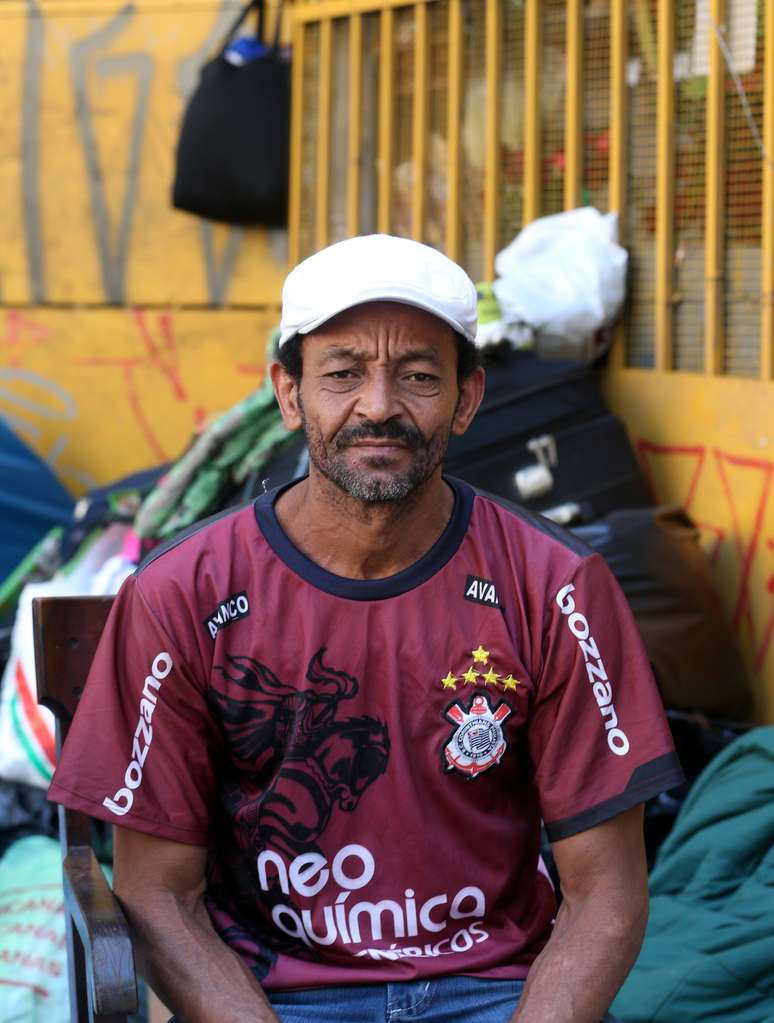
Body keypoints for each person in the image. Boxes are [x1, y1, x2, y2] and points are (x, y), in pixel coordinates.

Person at [49, 234, 683, 1023]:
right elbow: (157, 892)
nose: (378, 405)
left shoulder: (555, 586)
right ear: (289, 394)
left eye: (418, 375)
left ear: (467, 398)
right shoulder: (184, 592)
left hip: (496, 993)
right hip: (270, 999)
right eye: (342, 373)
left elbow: (607, 891)